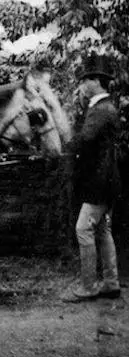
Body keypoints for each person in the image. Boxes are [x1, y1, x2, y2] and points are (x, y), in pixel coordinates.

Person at [63, 57, 122, 302]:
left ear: (97, 82)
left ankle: (88, 286)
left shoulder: (100, 110)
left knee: (83, 229)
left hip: (98, 182)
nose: (83, 84)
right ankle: (110, 282)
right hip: (107, 180)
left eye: (86, 80)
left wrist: (63, 146)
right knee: (102, 230)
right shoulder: (105, 107)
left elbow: (85, 140)